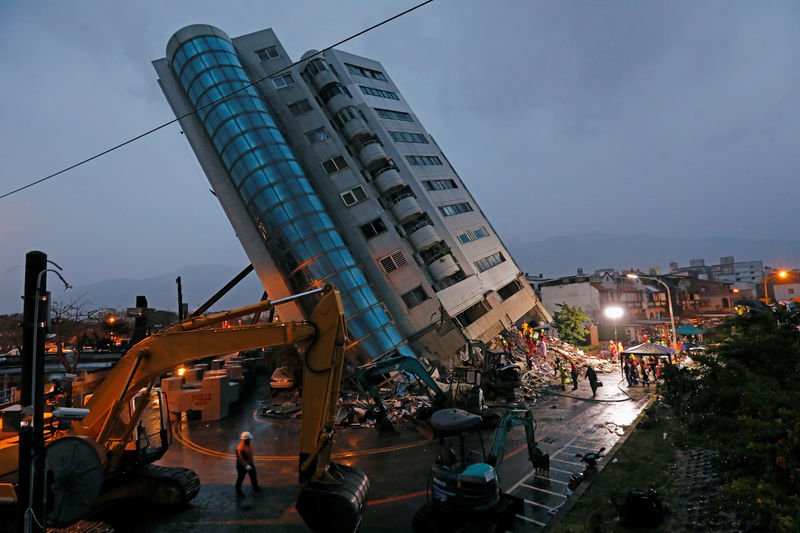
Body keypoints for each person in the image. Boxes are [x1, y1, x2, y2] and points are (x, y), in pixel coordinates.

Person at [236, 431, 260, 496]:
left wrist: (251, 464)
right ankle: (238, 491)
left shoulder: (249, 445)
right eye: (249, 439)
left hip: (250, 464)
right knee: (240, 478)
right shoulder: (240, 448)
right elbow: (240, 458)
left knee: (253, 476)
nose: (250, 440)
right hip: (242, 466)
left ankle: (255, 488)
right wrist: (246, 466)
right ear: (245, 440)